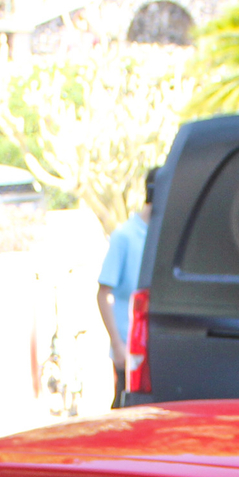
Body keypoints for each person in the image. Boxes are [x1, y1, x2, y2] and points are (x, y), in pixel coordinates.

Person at [97, 168, 155, 409]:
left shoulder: (160, 235)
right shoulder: (125, 236)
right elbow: (103, 293)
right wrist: (117, 344)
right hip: (130, 349)